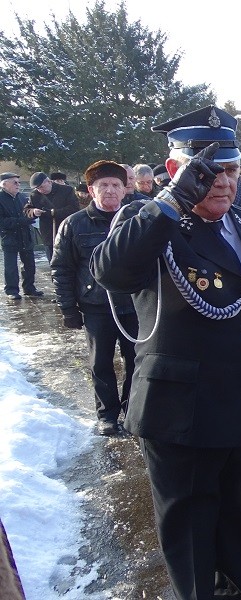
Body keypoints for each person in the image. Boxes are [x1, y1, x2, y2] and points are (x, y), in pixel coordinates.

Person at [90, 105, 241, 600]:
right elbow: (111, 271)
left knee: (239, 522)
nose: (224, 182)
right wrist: (173, 201)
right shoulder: (149, 219)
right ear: (176, 169)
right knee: (192, 533)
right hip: (183, 412)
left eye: (232, 170)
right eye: (209, 172)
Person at [51, 160, 137, 436]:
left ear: (124, 189)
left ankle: (133, 412)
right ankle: (107, 415)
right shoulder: (74, 224)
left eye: (115, 185)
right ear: (91, 190)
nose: (110, 190)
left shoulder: (137, 220)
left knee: (137, 362)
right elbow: (61, 268)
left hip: (134, 306)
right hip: (97, 307)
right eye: (103, 185)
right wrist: (68, 308)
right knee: (100, 363)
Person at [0, 172, 43, 300]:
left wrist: (34, 213)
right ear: (4, 184)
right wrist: (22, 221)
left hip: (26, 235)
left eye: (18, 182)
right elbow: (2, 222)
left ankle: (29, 288)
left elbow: (28, 212)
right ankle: (11, 290)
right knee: (11, 266)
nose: (18, 184)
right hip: (9, 236)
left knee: (29, 264)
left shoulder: (22, 197)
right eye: (15, 182)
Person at [25, 171, 80, 261]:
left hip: (67, 231)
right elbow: (27, 210)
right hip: (48, 234)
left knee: (70, 261)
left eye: (41, 187)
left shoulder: (66, 190)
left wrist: (53, 213)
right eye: (37, 188)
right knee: (53, 262)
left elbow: (74, 208)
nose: (40, 190)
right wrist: (34, 212)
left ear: (49, 181)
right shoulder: (35, 195)